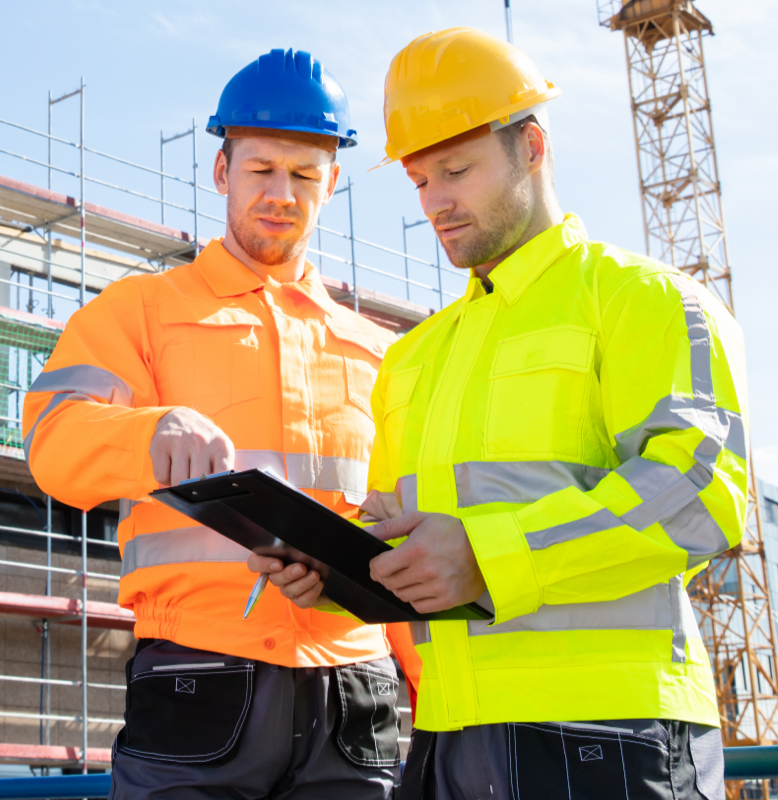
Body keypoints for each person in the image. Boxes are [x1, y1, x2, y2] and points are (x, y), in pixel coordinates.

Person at [284, 28, 745, 799]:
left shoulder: (643, 300)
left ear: (532, 146)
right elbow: (406, 537)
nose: (435, 202)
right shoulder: (414, 357)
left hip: (613, 733)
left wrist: (490, 555)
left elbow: (700, 495)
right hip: (446, 737)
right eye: (419, 180)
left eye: (456, 171)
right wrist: (336, 568)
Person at [23, 48, 417, 800]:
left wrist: (439, 709)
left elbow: (406, 532)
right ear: (221, 171)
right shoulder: (138, 313)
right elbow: (52, 443)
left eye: (304, 175)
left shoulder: (381, 354)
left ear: (332, 182)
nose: (281, 194)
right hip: (199, 676)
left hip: (355, 695)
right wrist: (148, 432)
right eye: (261, 169)